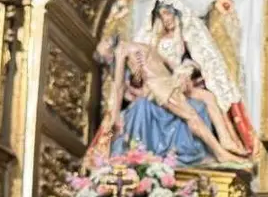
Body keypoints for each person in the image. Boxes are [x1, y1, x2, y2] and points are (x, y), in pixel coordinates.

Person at [96, 36, 247, 165]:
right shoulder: (124, 50)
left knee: (208, 97)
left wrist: (183, 73)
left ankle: (226, 139)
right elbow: (119, 86)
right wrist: (113, 116)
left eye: (103, 42)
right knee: (191, 115)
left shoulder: (132, 45)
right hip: (160, 88)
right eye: (103, 46)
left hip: (170, 82)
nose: (105, 41)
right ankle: (219, 152)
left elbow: (167, 63)